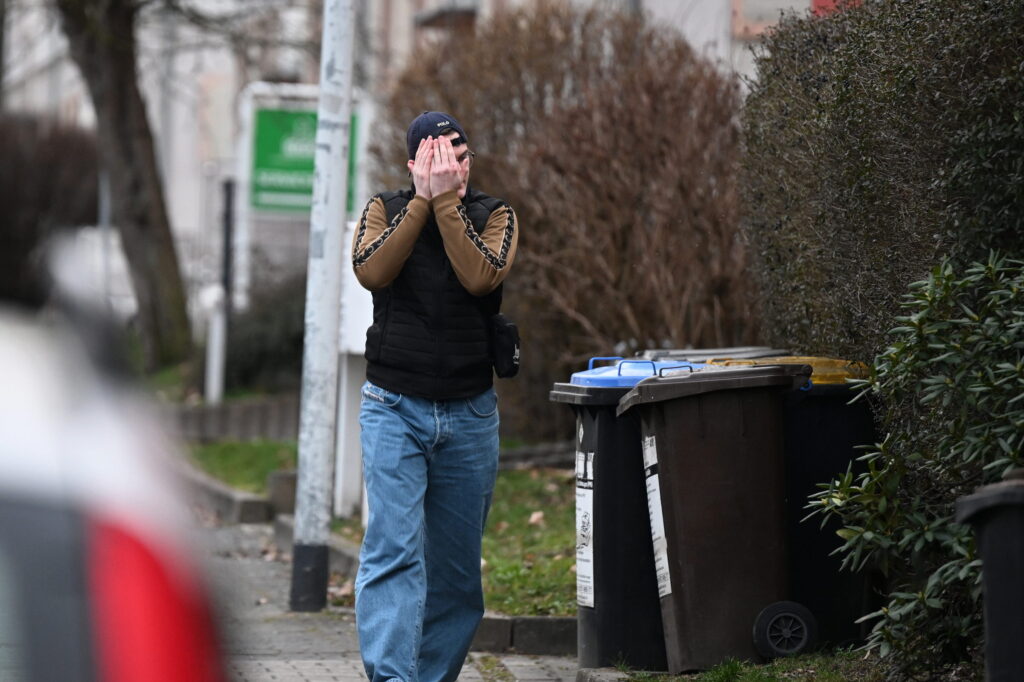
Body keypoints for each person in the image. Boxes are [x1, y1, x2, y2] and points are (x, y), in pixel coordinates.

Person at [350, 111, 519, 682]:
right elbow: (373, 272)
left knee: (454, 574)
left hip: (470, 414)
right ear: (412, 164)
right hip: (393, 407)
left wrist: (446, 203)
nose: (454, 167)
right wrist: (423, 202)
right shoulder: (383, 210)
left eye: (461, 156)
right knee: (393, 552)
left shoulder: (494, 215)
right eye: (438, 158)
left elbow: (480, 277)